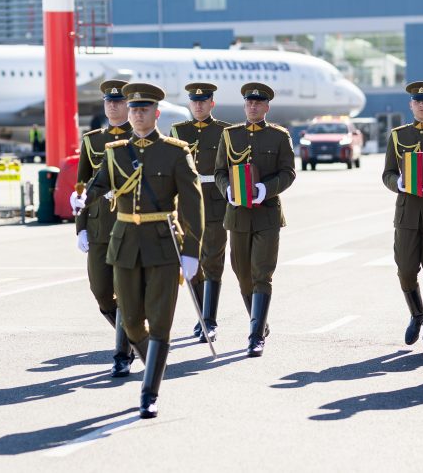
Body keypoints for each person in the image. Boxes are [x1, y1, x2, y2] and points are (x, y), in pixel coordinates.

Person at [79, 82, 203, 419]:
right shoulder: (116, 150)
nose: (137, 114)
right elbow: (100, 183)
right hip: (124, 245)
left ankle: (149, 392)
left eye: (143, 109)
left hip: (162, 242)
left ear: (156, 113)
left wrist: (192, 250)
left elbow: (193, 205)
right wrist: (83, 199)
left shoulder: (176, 152)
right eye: (133, 109)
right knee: (131, 323)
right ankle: (155, 364)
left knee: (160, 323)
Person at [215, 83, 296, 358]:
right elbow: (219, 172)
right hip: (237, 215)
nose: (253, 107)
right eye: (249, 102)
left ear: (266, 107)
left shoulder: (279, 136)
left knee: (262, 273)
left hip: (267, 214)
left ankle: (255, 335)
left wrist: (265, 189)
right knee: (242, 275)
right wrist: (227, 190)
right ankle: (259, 321)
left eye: (258, 103)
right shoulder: (229, 135)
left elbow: (288, 173)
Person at [380, 82, 423, 355]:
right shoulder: (398, 135)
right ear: (411, 105)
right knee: (406, 271)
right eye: (416, 101)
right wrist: (400, 183)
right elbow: (386, 173)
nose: (421, 104)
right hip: (407, 215)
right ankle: (417, 314)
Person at [72, 80, 133, 377]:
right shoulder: (92, 140)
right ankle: (133, 333)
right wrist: (80, 226)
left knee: (126, 291)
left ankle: (124, 349)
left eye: (119, 101)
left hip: (128, 224)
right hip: (98, 227)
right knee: (101, 292)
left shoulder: (139, 138)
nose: (112, 105)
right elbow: (81, 185)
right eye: (109, 101)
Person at [170, 82, 232, 343]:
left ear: (211, 104)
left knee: (213, 262)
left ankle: (209, 319)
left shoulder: (225, 131)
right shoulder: (178, 131)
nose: (198, 105)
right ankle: (201, 316)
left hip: (215, 202)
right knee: (191, 262)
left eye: (203, 101)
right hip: (187, 205)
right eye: (194, 101)